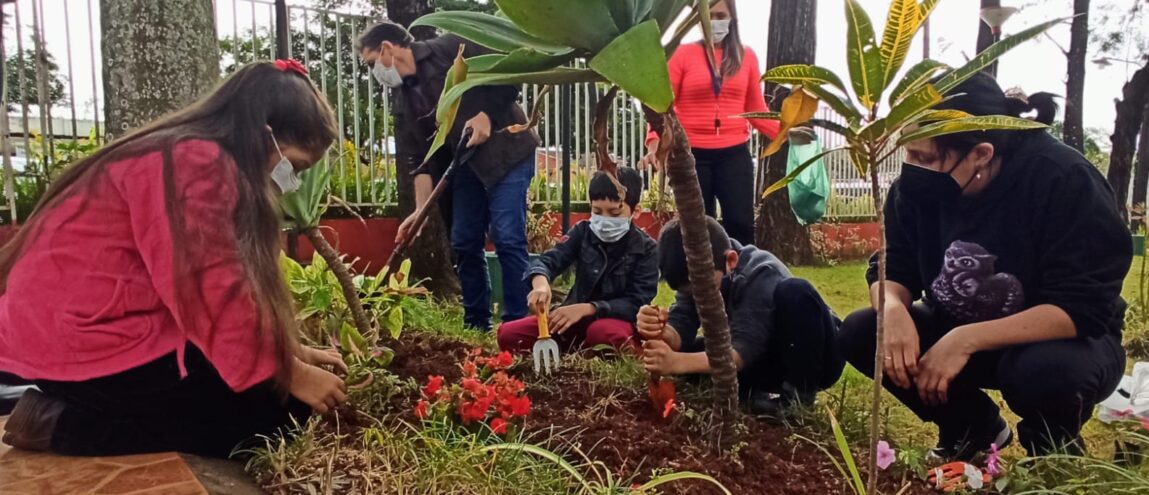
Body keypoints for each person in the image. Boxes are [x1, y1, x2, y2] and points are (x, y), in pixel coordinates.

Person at [0, 61, 349, 458]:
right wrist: (292, 373)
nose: (292, 181)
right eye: (295, 165)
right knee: (275, 413)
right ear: (266, 135)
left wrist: (287, 353)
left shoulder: (182, 152)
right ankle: (58, 425)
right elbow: (209, 289)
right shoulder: (195, 164)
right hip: (82, 339)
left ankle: (73, 408)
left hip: (75, 329)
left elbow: (221, 290)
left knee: (260, 389)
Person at [836, 74, 1132, 460]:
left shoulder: (1063, 180)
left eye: (924, 157)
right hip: (955, 327)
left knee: (1044, 370)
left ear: (981, 153)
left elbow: (1081, 308)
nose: (911, 168)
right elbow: (893, 266)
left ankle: (1054, 457)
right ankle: (973, 428)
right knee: (864, 332)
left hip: (1062, 342)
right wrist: (892, 308)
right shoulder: (918, 190)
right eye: (907, 153)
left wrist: (965, 340)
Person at [357, 22, 540, 331]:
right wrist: (419, 211)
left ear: (387, 49)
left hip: (507, 152)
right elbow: (419, 158)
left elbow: (509, 70)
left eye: (372, 63)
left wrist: (486, 115)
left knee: (507, 235)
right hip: (465, 164)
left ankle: (516, 324)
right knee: (465, 240)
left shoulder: (449, 49)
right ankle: (476, 323)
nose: (375, 72)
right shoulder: (403, 101)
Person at [637, 220, 843, 416]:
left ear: (731, 260)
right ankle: (754, 393)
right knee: (690, 354)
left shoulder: (759, 272)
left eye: (702, 289)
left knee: (795, 291)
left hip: (813, 354)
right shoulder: (700, 273)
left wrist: (676, 363)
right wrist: (662, 331)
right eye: (690, 293)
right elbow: (683, 322)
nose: (698, 296)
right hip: (762, 352)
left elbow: (742, 352)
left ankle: (798, 399)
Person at [639, 0, 779, 246]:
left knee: (741, 222)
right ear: (699, 19)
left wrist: (788, 131)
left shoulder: (746, 58)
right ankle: (700, 282)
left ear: (732, 18)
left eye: (721, 15)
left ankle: (741, 279)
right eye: (709, 15)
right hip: (691, 154)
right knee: (699, 226)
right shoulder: (681, 54)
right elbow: (662, 107)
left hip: (734, 154)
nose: (715, 21)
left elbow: (756, 111)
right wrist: (653, 143)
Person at [497, 167, 658, 354]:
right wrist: (540, 284)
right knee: (508, 334)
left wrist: (588, 308)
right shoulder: (582, 232)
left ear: (636, 211)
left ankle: (624, 349)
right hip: (571, 321)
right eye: (597, 211)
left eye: (614, 214)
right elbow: (550, 260)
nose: (604, 220)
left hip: (614, 323)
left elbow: (636, 302)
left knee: (603, 334)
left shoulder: (647, 249)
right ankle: (575, 348)